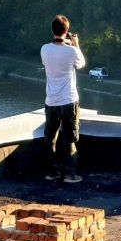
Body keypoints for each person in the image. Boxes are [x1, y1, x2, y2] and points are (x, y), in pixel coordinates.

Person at [40, 15, 85, 184]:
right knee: (70, 138)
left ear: (53, 30)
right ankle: (70, 174)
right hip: (69, 100)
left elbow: (53, 53)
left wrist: (66, 43)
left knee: (50, 137)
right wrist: (76, 44)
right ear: (67, 31)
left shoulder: (44, 49)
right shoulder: (72, 51)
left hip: (51, 101)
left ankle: (52, 172)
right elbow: (81, 64)